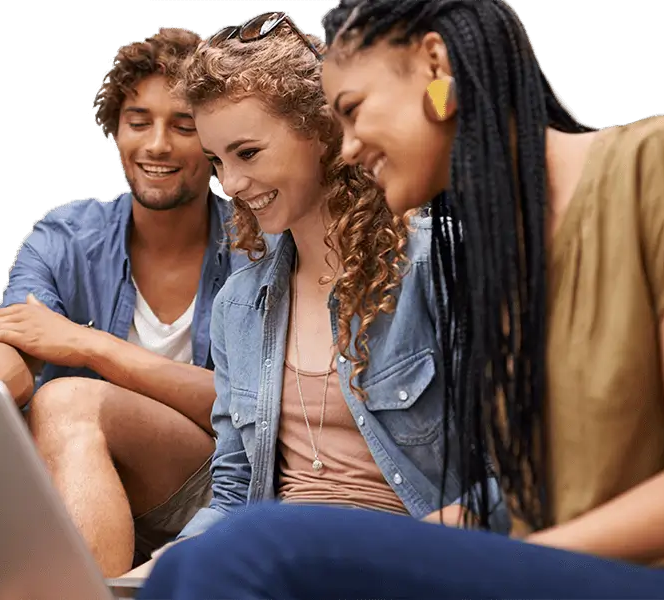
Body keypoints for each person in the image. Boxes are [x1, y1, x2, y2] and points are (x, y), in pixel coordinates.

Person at [137, 2, 664, 600]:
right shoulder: (502, 256)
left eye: (356, 110)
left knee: (254, 548)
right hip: (599, 568)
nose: (350, 145)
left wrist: (447, 567)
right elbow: (528, 497)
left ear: (436, 67)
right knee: (182, 573)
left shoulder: (662, 163)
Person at [124, 10, 509, 582]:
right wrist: (168, 564)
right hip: (281, 567)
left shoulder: (437, 265)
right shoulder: (239, 304)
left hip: (416, 564)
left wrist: (400, 556)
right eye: (216, 162)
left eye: (247, 153)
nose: (229, 184)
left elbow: (512, 481)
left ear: (323, 133)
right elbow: (233, 491)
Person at [0, 27, 247, 600]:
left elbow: (246, 404)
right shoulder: (66, 237)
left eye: (184, 124)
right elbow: (10, 343)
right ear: (115, 128)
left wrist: (89, 345)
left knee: (70, 397)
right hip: (83, 470)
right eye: (138, 121)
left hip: (210, 475)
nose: (157, 144)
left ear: (215, 139)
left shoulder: (255, 246)